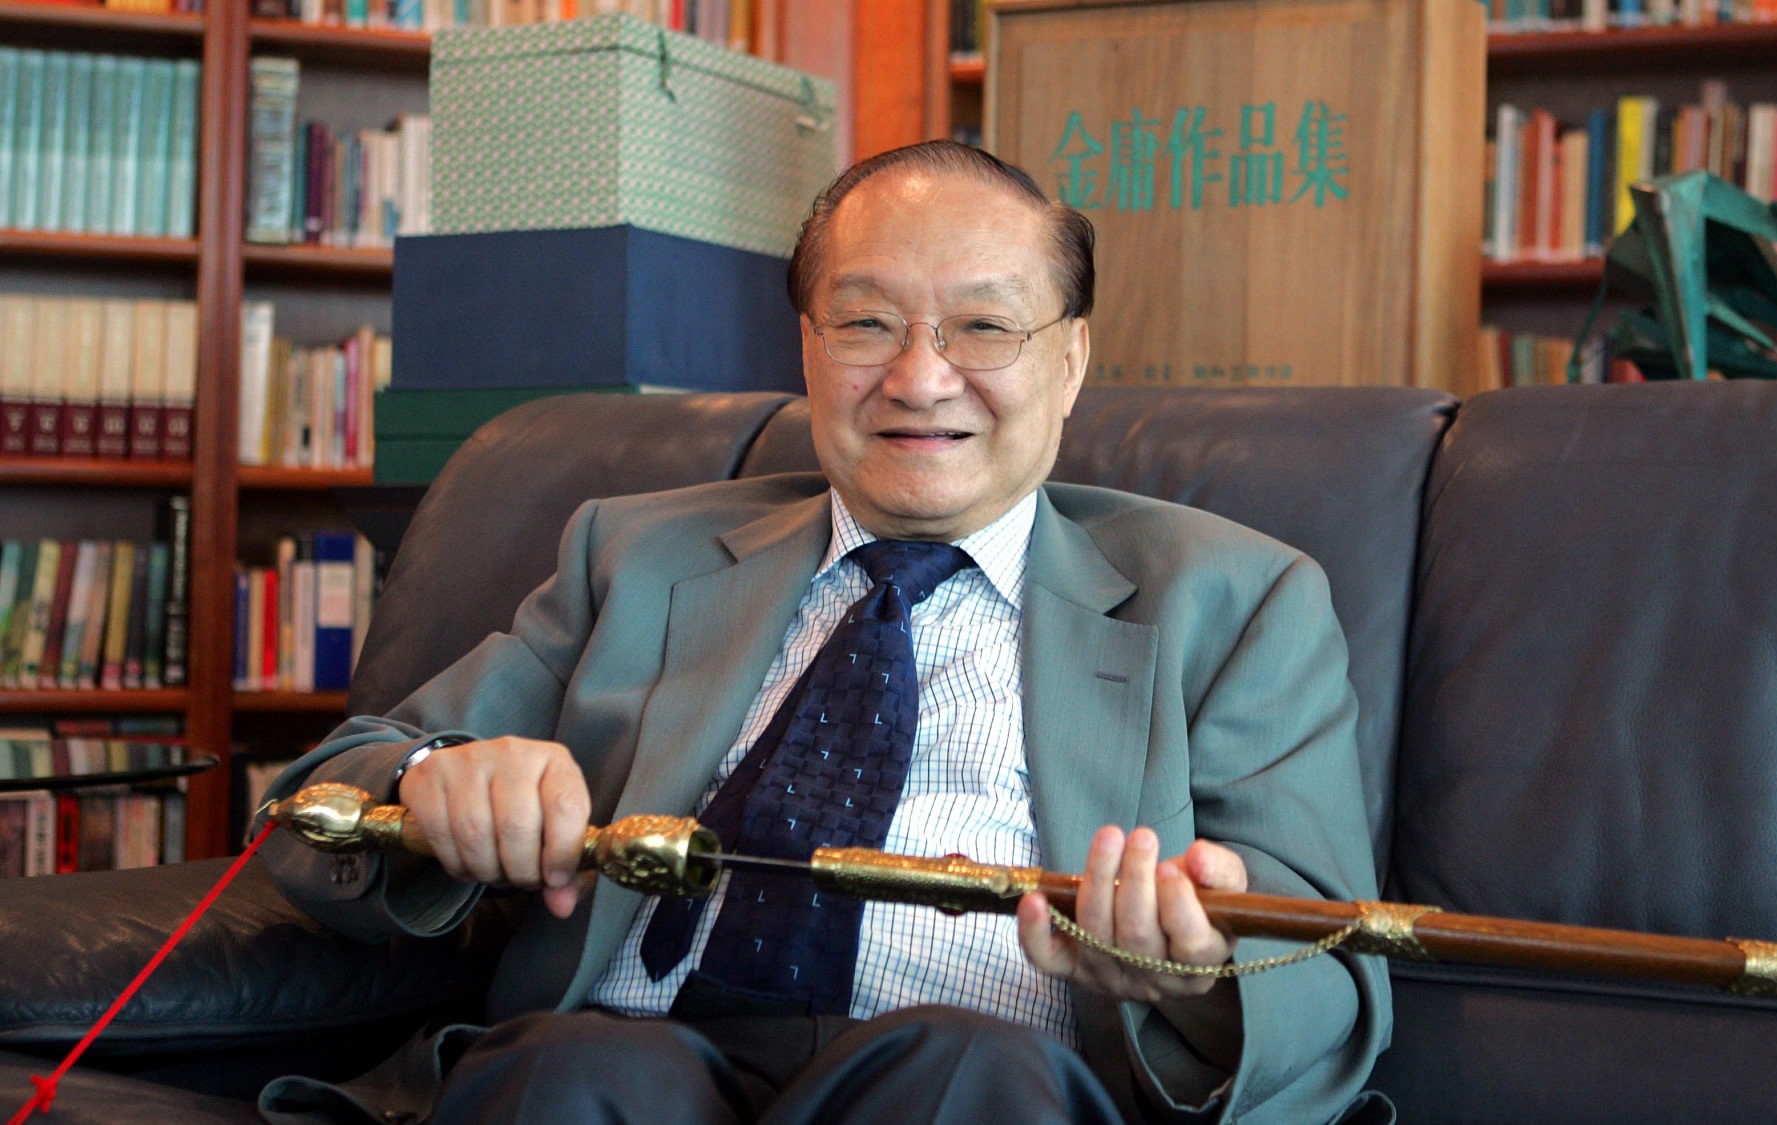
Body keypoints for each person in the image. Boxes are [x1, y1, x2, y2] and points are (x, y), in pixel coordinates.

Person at [262, 141, 1390, 1124]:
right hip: (633, 1056)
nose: (920, 377)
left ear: (1070, 360)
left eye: (984, 326)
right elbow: (318, 805)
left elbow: (1334, 970)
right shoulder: (634, 555)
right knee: (570, 1069)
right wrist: (432, 780)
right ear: (806, 346)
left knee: (961, 1066)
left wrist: (1200, 970)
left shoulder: (1234, 601)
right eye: (865, 323)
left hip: (977, 1078)